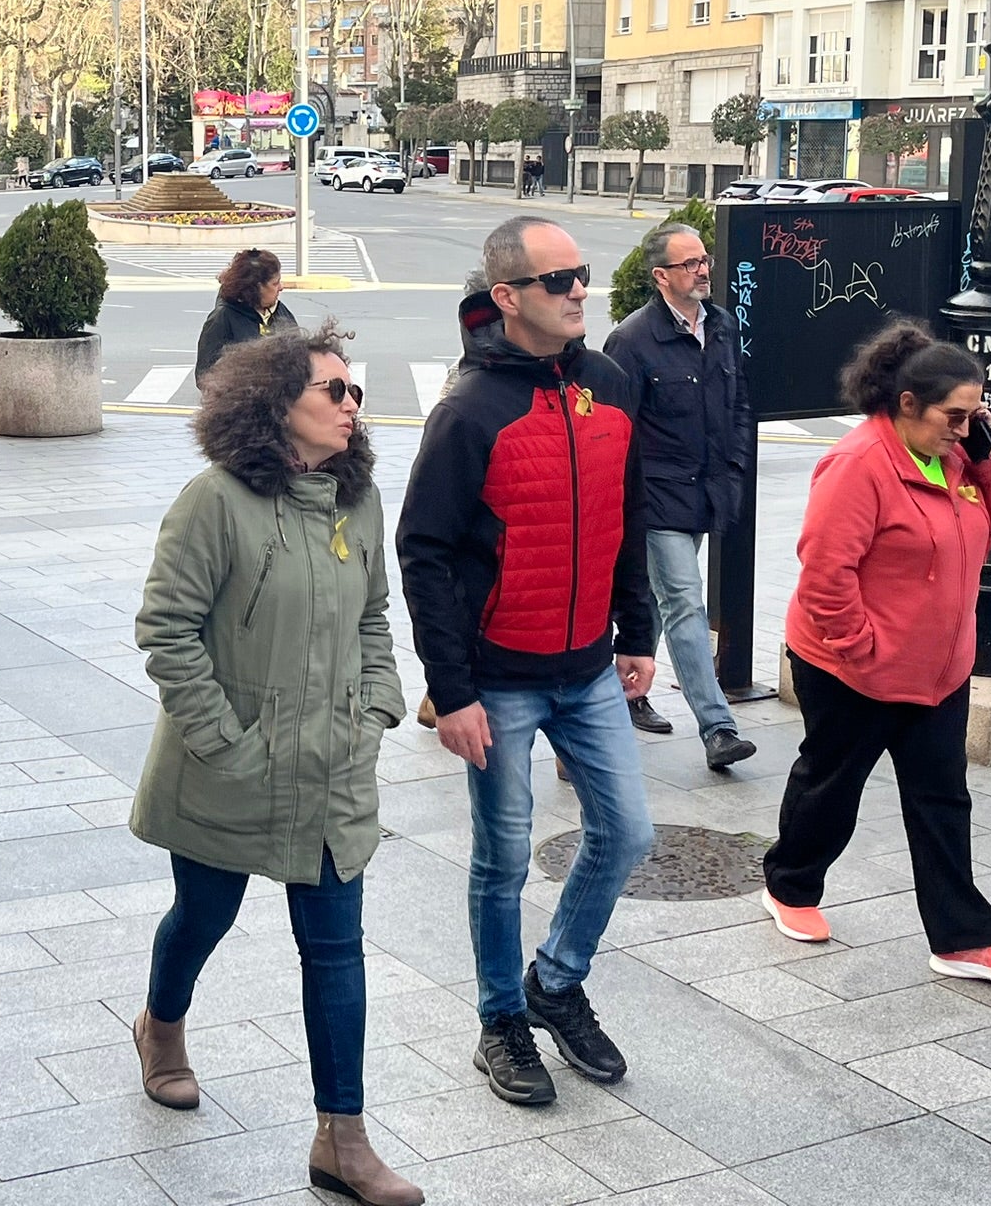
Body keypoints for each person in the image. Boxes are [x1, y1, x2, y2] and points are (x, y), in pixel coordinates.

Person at [131, 326, 420, 1206]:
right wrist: (227, 741)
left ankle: (344, 1139)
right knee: (202, 917)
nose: (351, 404)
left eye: (353, 390)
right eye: (332, 390)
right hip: (233, 769)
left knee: (336, 950)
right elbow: (166, 631)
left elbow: (374, 616)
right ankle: (161, 1025)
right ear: (274, 406)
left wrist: (375, 705)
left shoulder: (356, 499)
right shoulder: (213, 501)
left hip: (332, 769)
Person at [396, 216, 658, 1106]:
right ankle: (502, 1019)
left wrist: (637, 633)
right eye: (558, 281)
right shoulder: (471, 410)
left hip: (587, 668)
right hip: (497, 681)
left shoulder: (613, 386)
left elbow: (624, 522)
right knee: (502, 861)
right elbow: (422, 550)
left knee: (627, 834)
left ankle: (556, 979)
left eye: (582, 274)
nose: (579, 290)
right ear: (507, 298)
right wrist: (451, 692)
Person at [762, 322, 991, 983]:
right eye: (956, 415)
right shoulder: (859, 465)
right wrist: (862, 648)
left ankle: (964, 939)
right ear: (908, 403)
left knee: (942, 798)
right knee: (832, 785)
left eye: (974, 415)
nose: (963, 426)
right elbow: (825, 572)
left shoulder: (954, 457)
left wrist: (987, 449)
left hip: (939, 669)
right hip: (852, 668)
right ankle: (790, 884)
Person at [601, 222, 760, 767]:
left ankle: (620, 693)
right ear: (661, 276)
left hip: (709, 490)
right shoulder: (631, 340)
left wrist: (735, 468)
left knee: (655, 600)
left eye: (705, 260)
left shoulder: (721, 326)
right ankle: (718, 728)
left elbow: (739, 404)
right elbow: (616, 429)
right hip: (658, 497)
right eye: (690, 263)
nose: (703, 270)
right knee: (686, 603)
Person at [195, 249, 299, 385]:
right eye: (275, 283)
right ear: (256, 288)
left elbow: (300, 357)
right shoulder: (222, 319)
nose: (281, 287)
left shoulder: (280, 311)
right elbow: (205, 376)